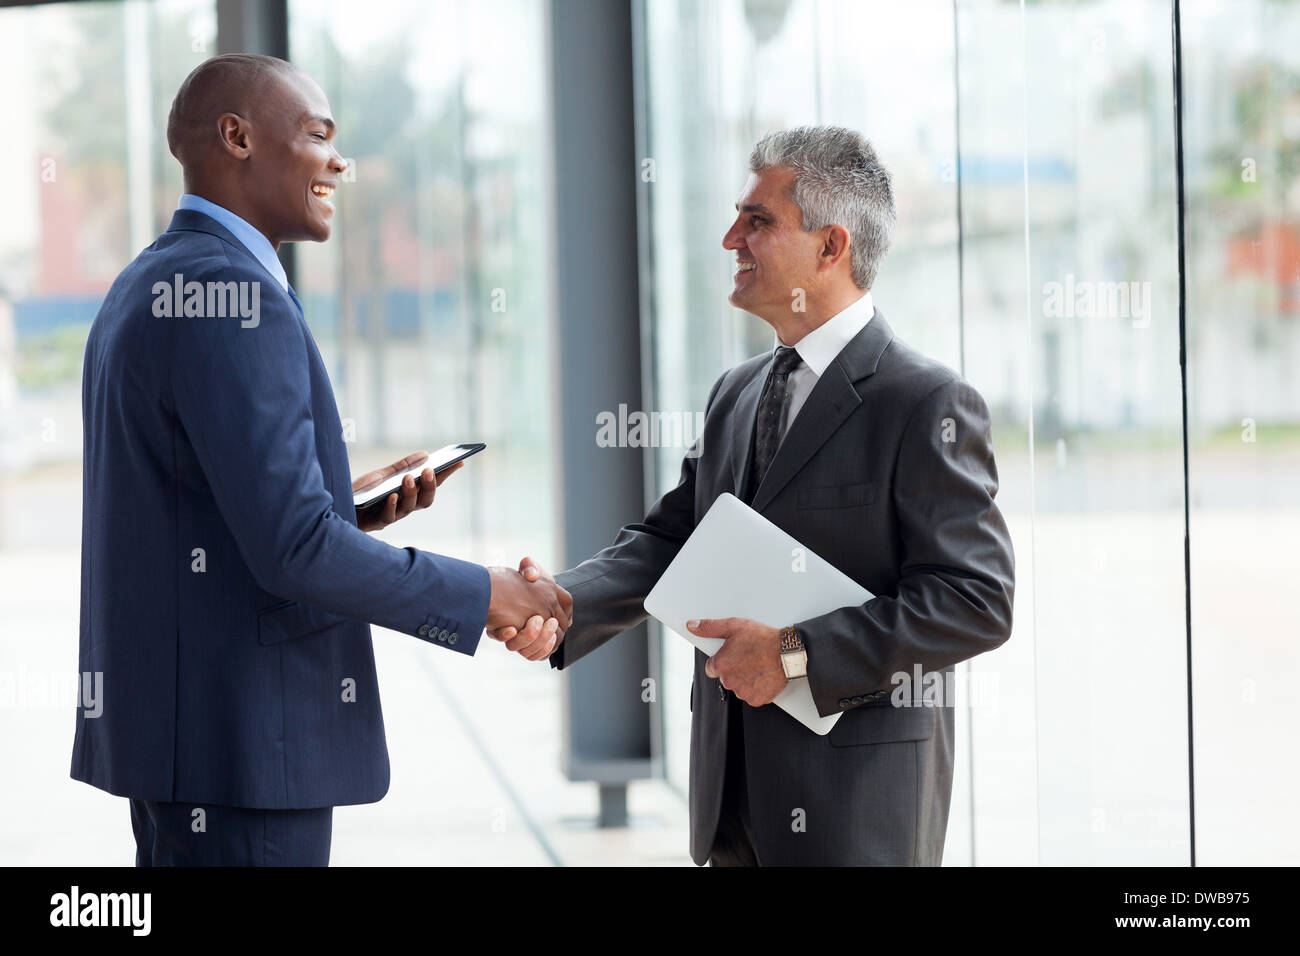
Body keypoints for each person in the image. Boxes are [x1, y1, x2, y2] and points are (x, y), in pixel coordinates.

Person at [72, 54, 568, 866]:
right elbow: (294, 550)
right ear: (235, 138)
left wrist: (343, 504)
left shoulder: (152, 279)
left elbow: (193, 504)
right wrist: (488, 596)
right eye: (317, 135)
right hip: (244, 756)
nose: (340, 161)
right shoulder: (239, 297)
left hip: (182, 744)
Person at [495, 126, 1015, 866]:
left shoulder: (925, 401)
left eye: (758, 221)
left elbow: (976, 600)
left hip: (856, 806)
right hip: (729, 799)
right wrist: (563, 602)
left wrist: (797, 653)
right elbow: (673, 540)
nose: (729, 238)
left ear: (831, 247)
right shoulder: (734, 393)